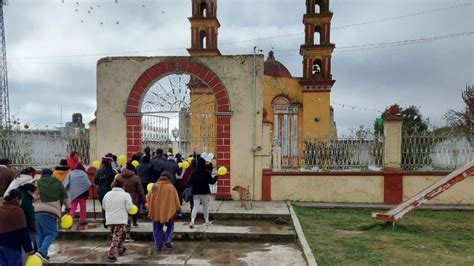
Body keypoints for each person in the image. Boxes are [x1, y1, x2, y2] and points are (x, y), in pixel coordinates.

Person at [34, 168, 70, 262]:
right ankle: (41, 252)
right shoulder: (57, 182)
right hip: (51, 211)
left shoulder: (36, 182)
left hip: (36, 210)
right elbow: (65, 196)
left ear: (42, 174)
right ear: (52, 174)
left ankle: (41, 256)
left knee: (39, 233)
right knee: (51, 233)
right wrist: (68, 208)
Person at [146, 171, 180, 252]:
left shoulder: (155, 186)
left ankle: (159, 246)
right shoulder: (171, 187)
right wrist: (178, 209)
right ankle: (167, 239)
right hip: (168, 212)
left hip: (156, 212)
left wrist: (150, 208)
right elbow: (176, 200)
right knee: (170, 226)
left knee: (157, 229)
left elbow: (148, 198)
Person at [0, 189, 34, 266]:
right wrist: (29, 249)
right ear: (16, 198)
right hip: (11, 245)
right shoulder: (17, 211)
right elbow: (23, 232)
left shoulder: (1, 209)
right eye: (20, 199)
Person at [102, 179, 133, 262]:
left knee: (117, 235)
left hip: (110, 218)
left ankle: (120, 248)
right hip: (120, 219)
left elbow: (104, 206)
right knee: (116, 237)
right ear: (122, 186)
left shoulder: (107, 194)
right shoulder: (125, 195)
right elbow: (129, 208)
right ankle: (111, 254)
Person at [113, 163, 146, 237]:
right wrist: (145, 201)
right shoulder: (136, 178)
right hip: (132, 199)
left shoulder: (118, 177)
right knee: (129, 216)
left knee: (120, 216)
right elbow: (141, 191)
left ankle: (119, 233)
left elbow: (112, 186)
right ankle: (127, 234)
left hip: (119, 198)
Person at [189, 157, 218, 228]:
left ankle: (192, 221)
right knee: (205, 207)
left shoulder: (194, 172)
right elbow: (212, 182)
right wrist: (216, 177)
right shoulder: (206, 172)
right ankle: (207, 220)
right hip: (204, 192)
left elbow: (189, 182)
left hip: (195, 192)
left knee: (195, 207)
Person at [94, 158, 116, 228]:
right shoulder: (112, 171)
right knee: (110, 207)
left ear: (103, 164)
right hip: (110, 191)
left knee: (103, 206)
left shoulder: (98, 171)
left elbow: (95, 181)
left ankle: (105, 220)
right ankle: (110, 220)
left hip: (100, 191)